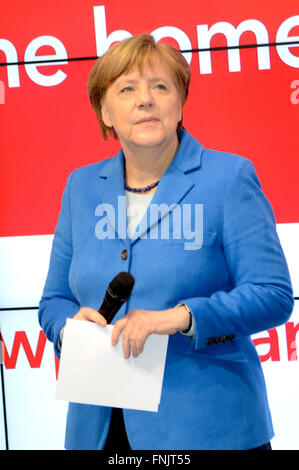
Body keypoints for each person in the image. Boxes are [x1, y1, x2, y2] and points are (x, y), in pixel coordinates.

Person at [38, 34, 294, 451]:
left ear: (180, 103)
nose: (145, 100)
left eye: (160, 86)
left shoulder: (228, 178)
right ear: (105, 111)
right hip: (99, 428)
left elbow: (273, 295)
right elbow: (53, 301)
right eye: (127, 89)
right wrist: (69, 328)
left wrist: (180, 317)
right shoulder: (81, 187)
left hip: (208, 426)